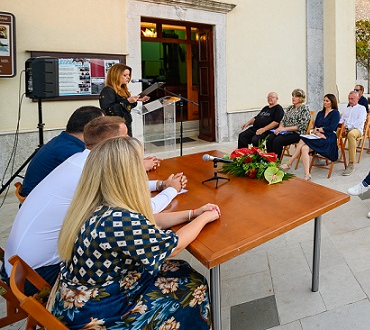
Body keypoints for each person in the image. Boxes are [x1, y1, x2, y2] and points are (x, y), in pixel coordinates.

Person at [50, 136, 218, 329]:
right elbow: (173, 246)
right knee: (195, 285)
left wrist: (192, 214)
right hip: (101, 311)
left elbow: (150, 221)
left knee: (181, 269)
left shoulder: (93, 203)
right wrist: (204, 218)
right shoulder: (118, 219)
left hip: (79, 298)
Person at [4, 117, 187, 294]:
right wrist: (171, 191)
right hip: (38, 274)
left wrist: (161, 185)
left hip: (19, 265)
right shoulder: (85, 170)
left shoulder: (81, 160)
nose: (129, 143)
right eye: (125, 138)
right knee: (133, 257)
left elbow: (122, 184)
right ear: (112, 143)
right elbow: (142, 210)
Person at [20, 106, 104, 197]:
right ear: (91, 129)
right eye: (105, 127)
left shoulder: (63, 141)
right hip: (42, 203)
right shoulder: (72, 152)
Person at [280, 94, 340, 180]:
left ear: (332, 102)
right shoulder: (320, 113)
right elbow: (316, 126)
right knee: (304, 148)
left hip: (328, 138)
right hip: (318, 136)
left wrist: (319, 131)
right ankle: (307, 174)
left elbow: (332, 127)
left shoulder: (335, 113)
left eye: (327, 101)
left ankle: (289, 163)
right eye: (324, 100)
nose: (324, 102)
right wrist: (318, 132)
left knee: (302, 139)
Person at [99, 63, 149, 136]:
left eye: (129, 75)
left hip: (126, 124)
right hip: (115, 127)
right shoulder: (108, 90)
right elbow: (108, 109)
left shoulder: (122, 90)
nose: (128, 77)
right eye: (125, 75)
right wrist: (127, 101)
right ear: (116, 75)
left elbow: (125, 107)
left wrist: (136, 99)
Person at [265, 88, 311, 156]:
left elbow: (301, 126)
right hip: (285, 131)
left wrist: (284, 129)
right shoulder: (290, 108)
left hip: (297, 133)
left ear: (301, 98)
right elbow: (283, 120)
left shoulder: (304, 109)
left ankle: (276, 161)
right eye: (293, 96)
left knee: (277, 141)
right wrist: (279, 128)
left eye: (296, 96)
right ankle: (269, 159)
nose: (293, 98)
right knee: (269, 138)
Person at [340, 91, 367, 175]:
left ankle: (351, 163)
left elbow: (359, 121)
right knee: (333, 133)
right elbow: (342, 120)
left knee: (351, 135)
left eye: (352, 99)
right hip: (346, 129)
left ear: (358, 99)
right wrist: (342, 127)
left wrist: (348, 128)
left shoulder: (361, 108)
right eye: (349, 99)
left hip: (357, 129)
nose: (350, 101)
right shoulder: (347, 109)